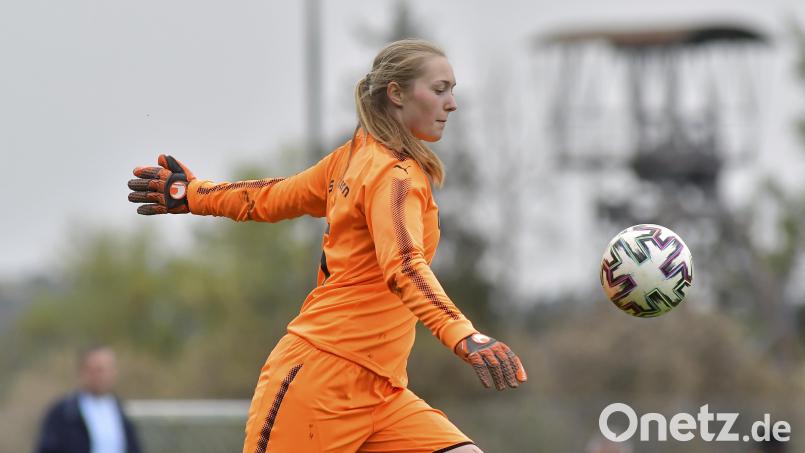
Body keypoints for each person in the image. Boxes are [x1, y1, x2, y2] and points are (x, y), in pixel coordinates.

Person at [128, 39, 527, 453]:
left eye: (452, 90)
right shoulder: (390, 174)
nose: (452, 104)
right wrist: (465, 335)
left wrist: (193, 193)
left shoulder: (360, 158)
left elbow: (271, 195)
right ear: (397, 93)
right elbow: (404, 266)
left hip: (382, 392)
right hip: (320, 384)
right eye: (440, 89)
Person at [35, 345, 142, 453]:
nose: (103, 376)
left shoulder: (120, 411)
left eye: (108, 369)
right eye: (98, 370)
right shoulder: (64, 413)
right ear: (83, 371)